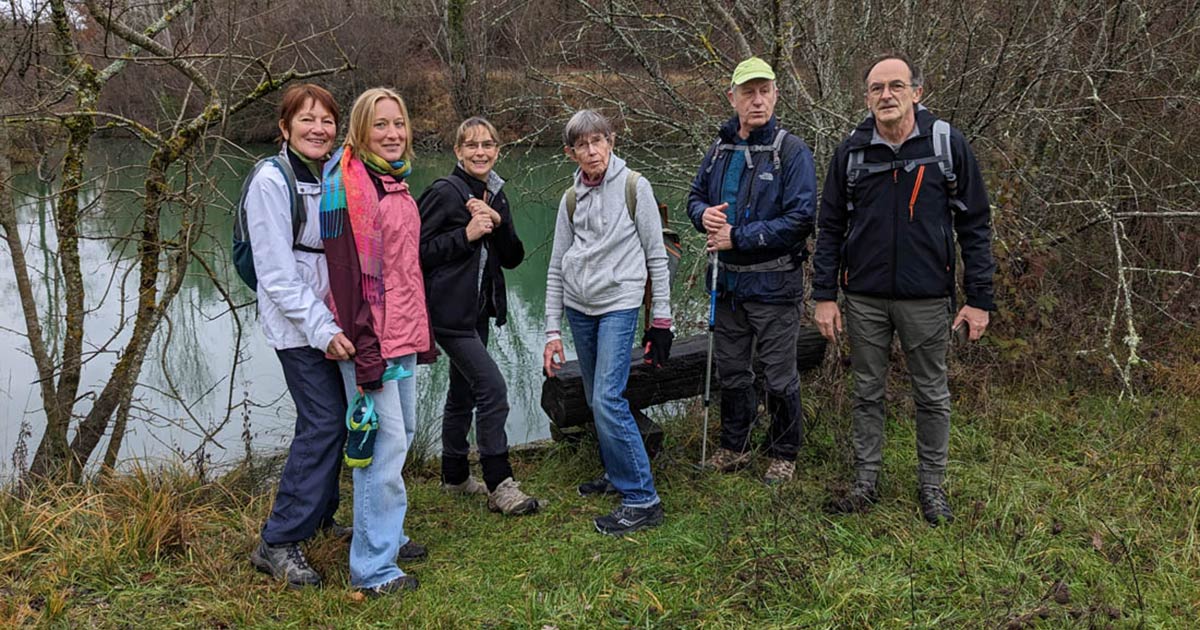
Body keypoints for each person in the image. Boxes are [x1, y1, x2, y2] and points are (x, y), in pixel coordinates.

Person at [812, 53, 996, 526]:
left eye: (896, 86)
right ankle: (865, 482)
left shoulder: (945, 144)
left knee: (931, 394)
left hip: (928, 298)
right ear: (867, 97)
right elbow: (829, 226)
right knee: (866, 391)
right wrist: (825, 295)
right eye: (877, 88)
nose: (886, 96)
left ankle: (931, 486)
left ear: (917, 92)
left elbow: (975, 225)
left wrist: (979, 300)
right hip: (865, 299)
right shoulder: (852, 152)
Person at [320, 87, 431, 596]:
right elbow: (344, 275)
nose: (392, 134)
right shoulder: (346, 186)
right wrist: (362, 345)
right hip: (369, 335)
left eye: (399, 124)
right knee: (381, 448)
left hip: (401, 331)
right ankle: (374, 567)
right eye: (380, 125)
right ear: (361, 131)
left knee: (400, 435)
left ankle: (388, 534)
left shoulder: (394, 183)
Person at [685, 57, 817, 484]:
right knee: (732, 371)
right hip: (726, 286)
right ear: (733, 98)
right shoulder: (719, 150)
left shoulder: (791, 151)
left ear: (776, 95)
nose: (756, 100)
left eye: (764, 91)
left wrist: (738, 237)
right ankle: (734, 447)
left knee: (779, 375)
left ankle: (785, 453)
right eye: (748, 92)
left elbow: (801, 219)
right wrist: (703, 215)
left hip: (775, 284)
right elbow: (694, 197)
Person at [543, 109, 673, 536]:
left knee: (608, 398)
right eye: (582, 144)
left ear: (612, 141)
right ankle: (617, 475)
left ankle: (642, 497)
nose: (591, 150)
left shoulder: (637, 187)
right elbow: (557, 265)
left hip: (619, 303)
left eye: (598, 140)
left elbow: (657, 257)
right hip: (580, 307)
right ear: (571, 152)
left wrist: (661, 322)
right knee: (593, 396)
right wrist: (551, 330)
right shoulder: (570, 198)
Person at [246, 83, 355, 589]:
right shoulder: (272, 180)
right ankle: (279, 538)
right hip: (297, 324)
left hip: (332, 318)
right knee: (323, 422)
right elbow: (276, 273)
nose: (318, 128)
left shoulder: (332, 173)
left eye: (327, 120)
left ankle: (321, 518)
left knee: (337, 419)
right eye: (306, 120)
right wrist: (320, 328)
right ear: (284, 128)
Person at [417, 116, 539, 516]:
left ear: (498, 150)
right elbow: (415, 253)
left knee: (464, 392)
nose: (481, 152)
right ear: (458, 151)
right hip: (448, 313)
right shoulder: (444, 192)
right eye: (472, 146)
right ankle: (499, 482)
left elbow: (514, 257)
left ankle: (453, 474)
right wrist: (465, 235)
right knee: (493, 388)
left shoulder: (495, 193)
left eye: (488, 145)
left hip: (479, 311)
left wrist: (497, 224)